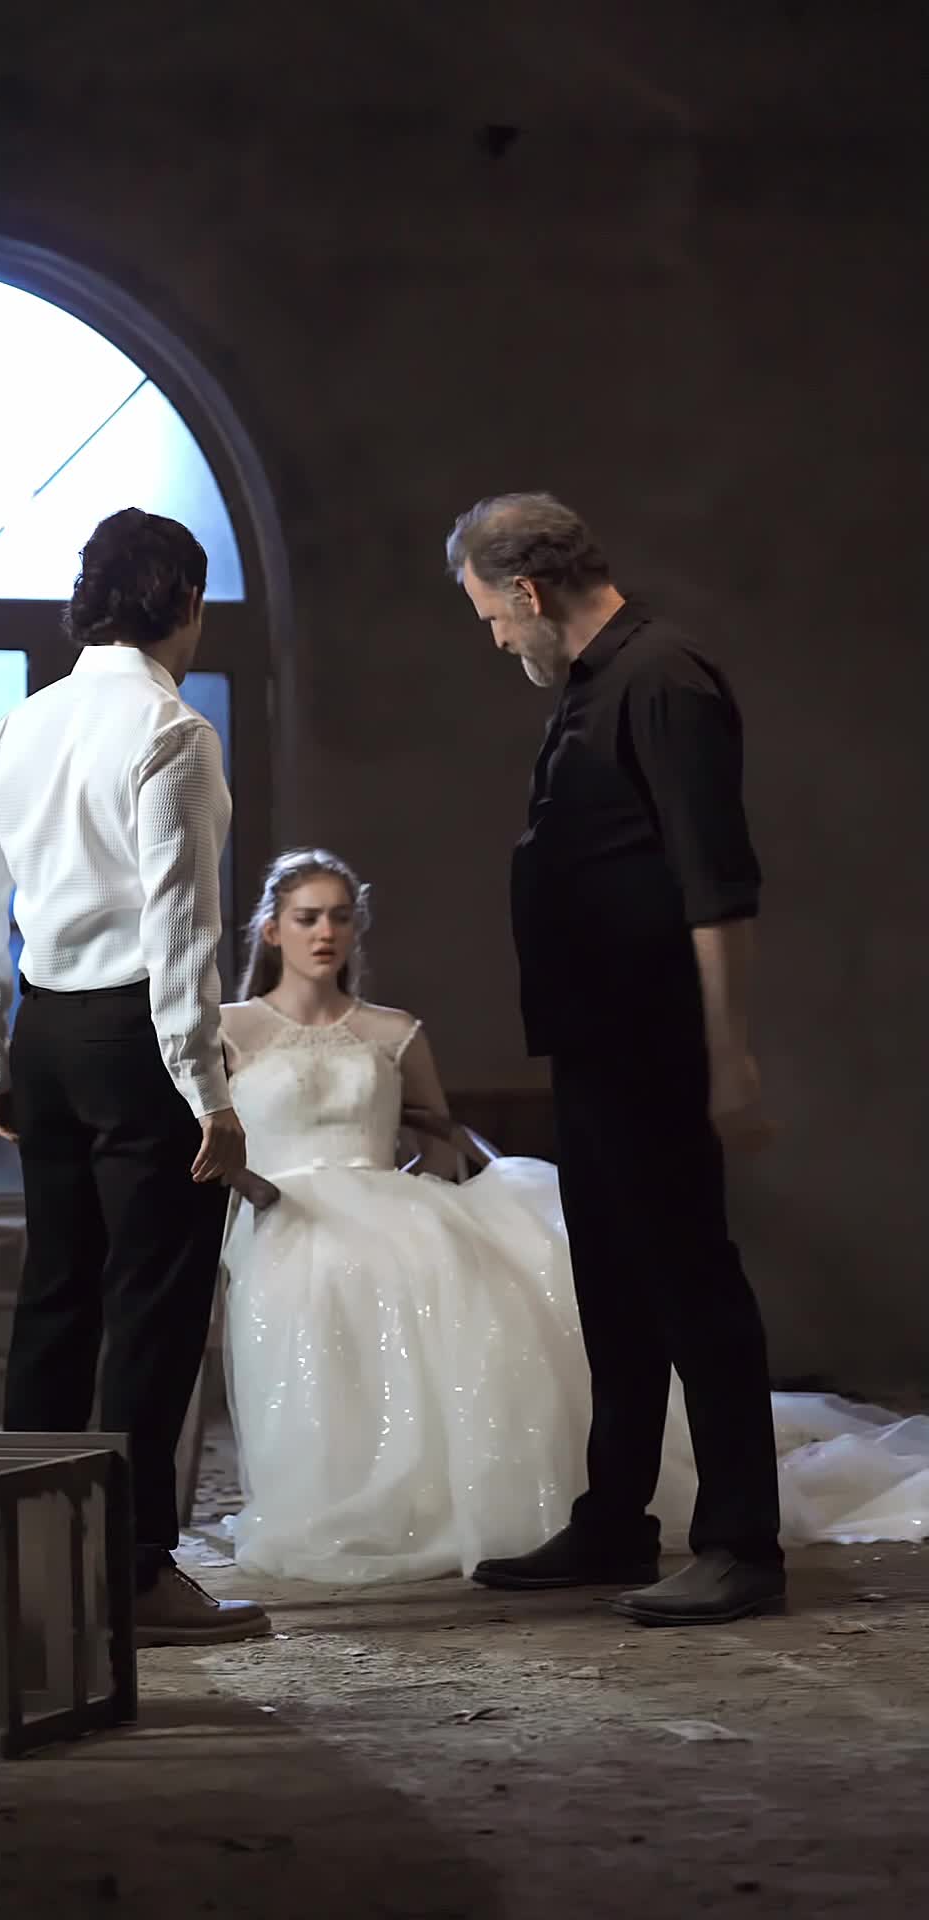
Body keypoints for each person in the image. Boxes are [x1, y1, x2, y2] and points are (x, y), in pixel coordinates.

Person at [215, 850, 929, 1588]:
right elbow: (210, 1136)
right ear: (271, 930)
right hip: (283, 1204)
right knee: (329, 1265)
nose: (325, 932)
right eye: (307, 918)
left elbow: (441, 1140)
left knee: (472, 1274)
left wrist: (406, 1195)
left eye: (339, 917)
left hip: (389, 1198)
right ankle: (350, 1488)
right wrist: (254, 1190)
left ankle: (495, 1488)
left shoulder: (392, 1030)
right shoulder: (233, 1029)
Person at [445, 491, 785, 1625]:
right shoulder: (592, 685)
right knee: (616, 1288)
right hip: (595, 1042)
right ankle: (614, 1520)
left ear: (529, 591)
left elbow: (715, 882)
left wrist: (728, 1054)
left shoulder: (663, 679)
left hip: (655, 1040)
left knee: (691, 1282)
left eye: (494, 616)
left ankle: (742, 1543)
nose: (496, 639)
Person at [0, 508, 270, 1648]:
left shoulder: (15, 729)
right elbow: (180, 930)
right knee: (153, 1308)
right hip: (138, 1040)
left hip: (46, 1033)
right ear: (185, 600)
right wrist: (209, 1092)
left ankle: (24, 1569)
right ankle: (132, 1573)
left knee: (56, 1298)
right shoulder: (171, 729)